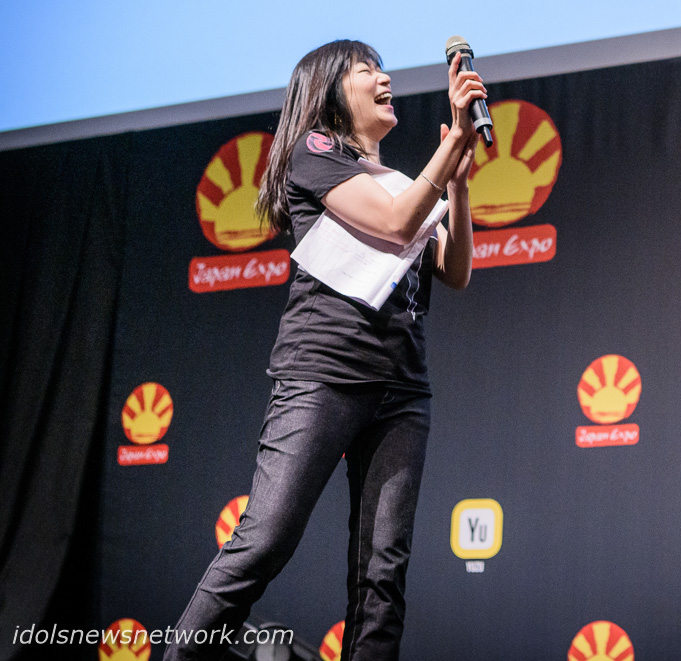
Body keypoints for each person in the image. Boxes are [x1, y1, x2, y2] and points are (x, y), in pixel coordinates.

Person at [165, 40, 487, 661]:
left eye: (382, 68)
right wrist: (450, 145)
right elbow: (395, 223)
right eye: (367, 70)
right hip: (323, 374)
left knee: (382, 573)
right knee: (267, 538)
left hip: (402, 389)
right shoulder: (314, 153)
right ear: (330, 93)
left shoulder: (400, 183)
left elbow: (456, 270)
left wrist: (460, 184)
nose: (384, 78)